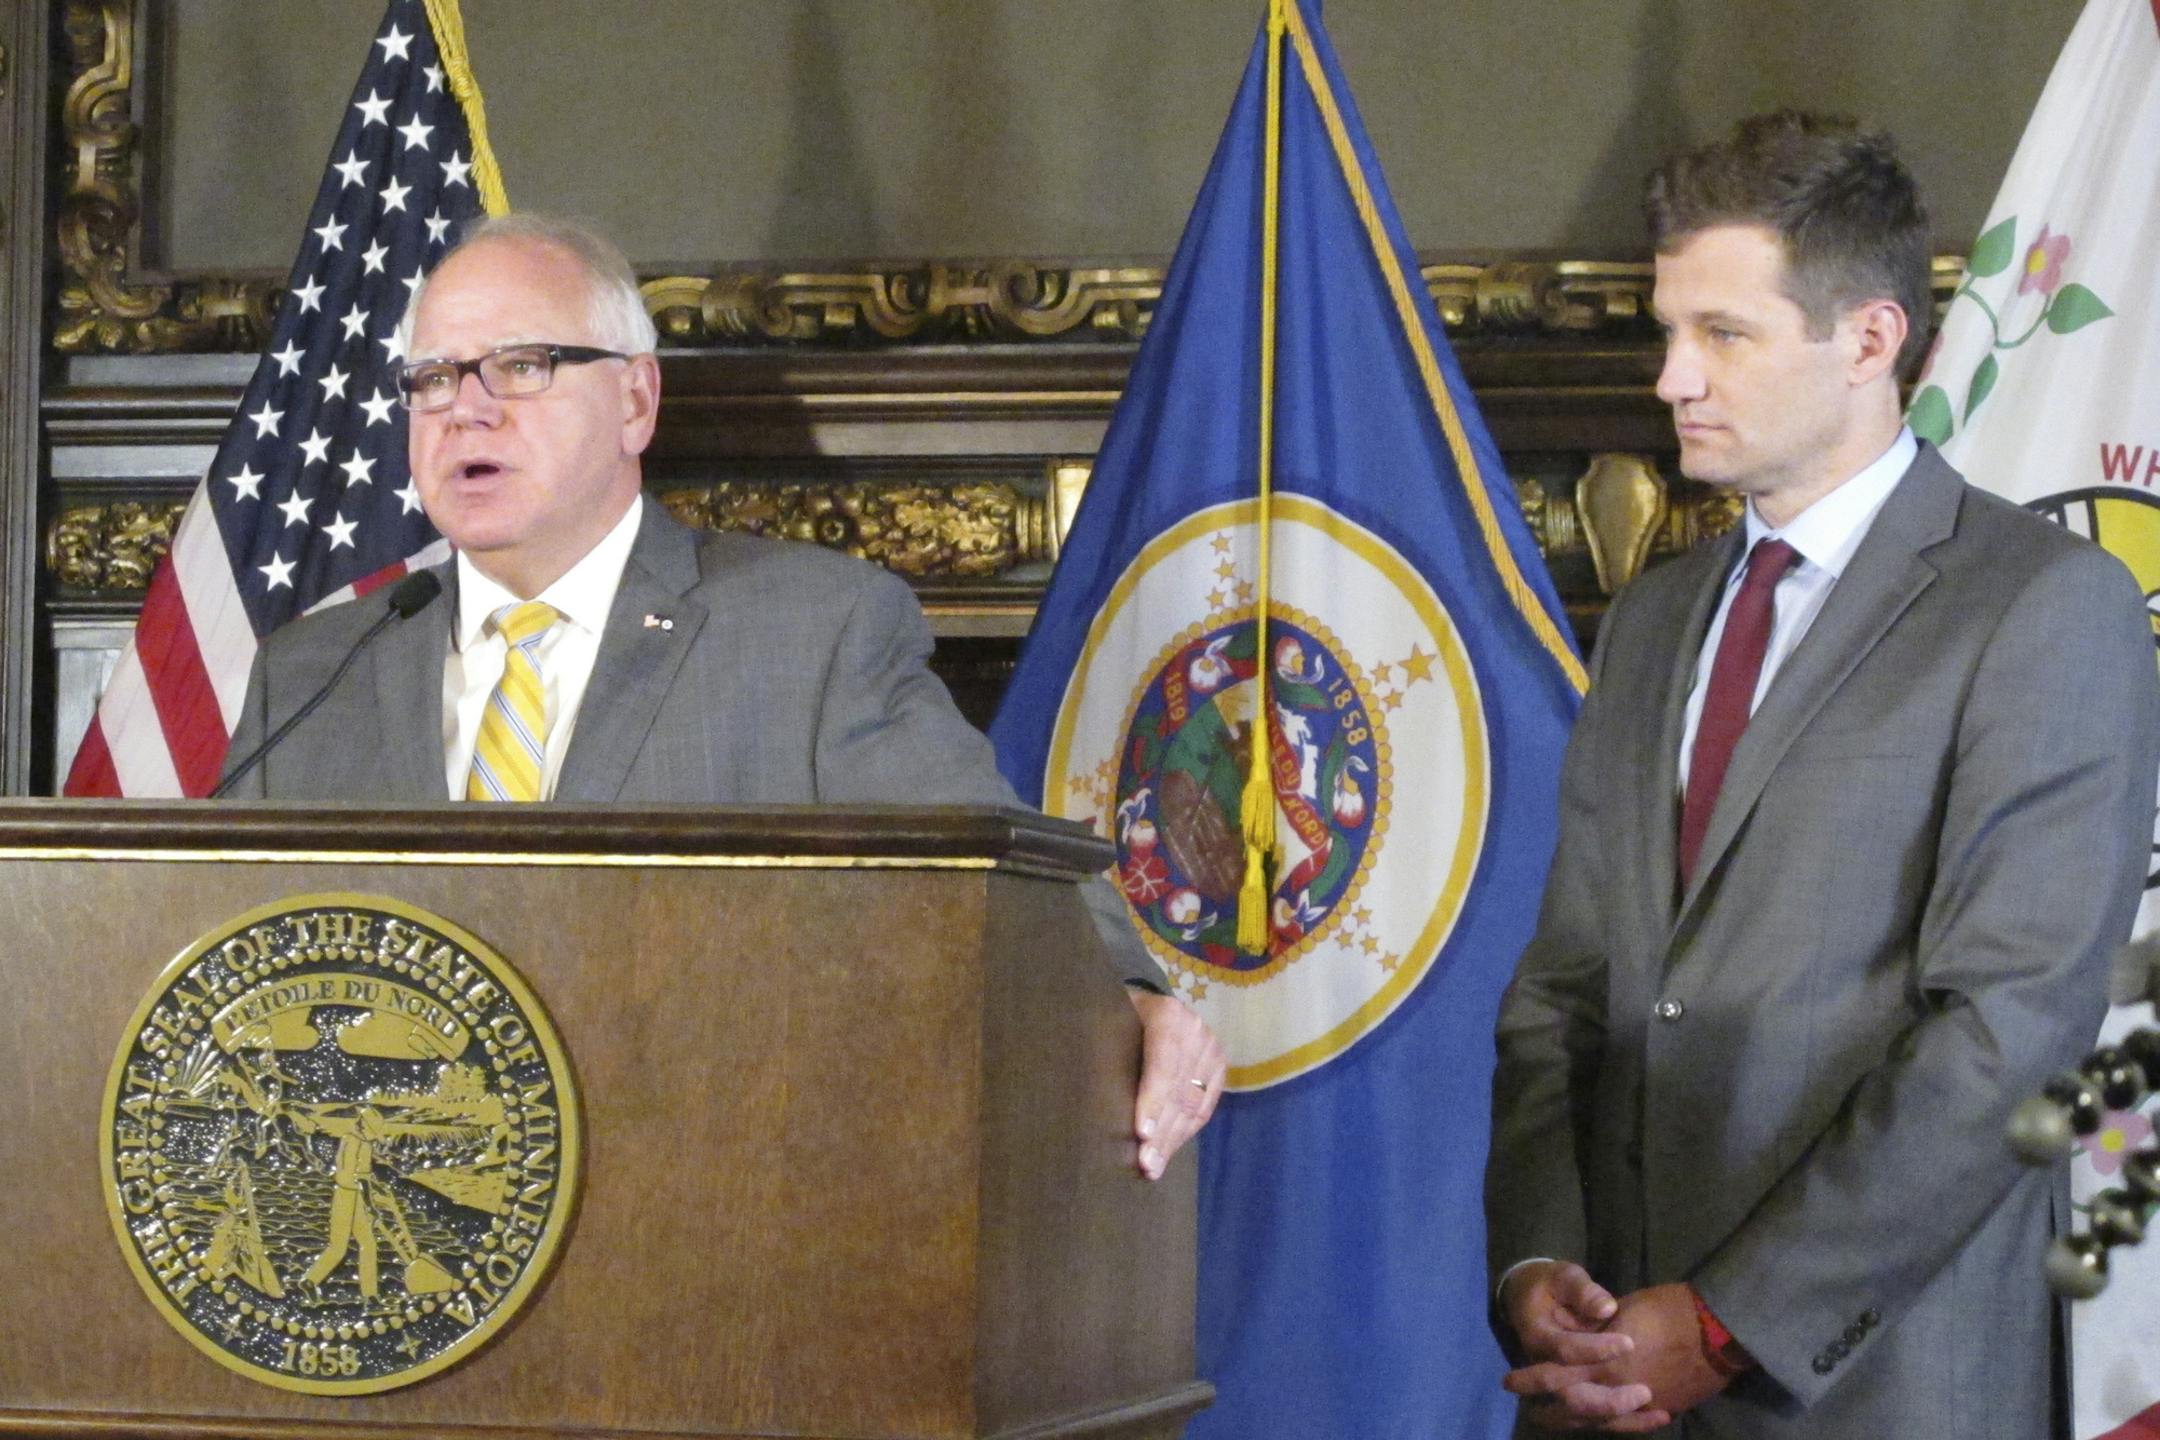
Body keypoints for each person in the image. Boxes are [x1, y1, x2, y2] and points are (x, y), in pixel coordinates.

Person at [222, 214, 1224, 1180]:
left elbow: (1010, 881)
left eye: (521, 366)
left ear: (635, 403)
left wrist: (1132, 1002)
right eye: (433, 377)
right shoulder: (314, 676)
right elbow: (215, 974)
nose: (463, 408)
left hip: (710, 1218)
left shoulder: (813, 634)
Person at [1484, 111, 2160, 1437]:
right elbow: (1562, 989)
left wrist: (1730, 1324)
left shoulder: (2043, 608)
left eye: (1724, 335)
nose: (1674, 377)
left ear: (1869, 339)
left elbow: (2009, 1033)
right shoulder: (1654, 619)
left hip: (1877, 1389)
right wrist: (1538, 1267)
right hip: (1605, 1385)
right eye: (1668, 330)